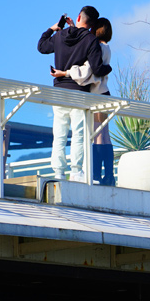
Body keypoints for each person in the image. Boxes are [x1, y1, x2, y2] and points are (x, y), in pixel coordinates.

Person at [37, 6, 109, 181]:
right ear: (92, 24)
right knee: (79, 134)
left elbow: (42, 47)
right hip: (79, 92)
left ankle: (58, 172)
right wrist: (109, 67)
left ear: (78, 17)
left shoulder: (60, 36)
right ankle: (76, 171)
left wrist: (52, 29)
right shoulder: (91, 40)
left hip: (59, 91)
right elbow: (98, 69)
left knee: (60, 134)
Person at [51, 18, 115, 186]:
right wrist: (73, 28)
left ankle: (95, 174)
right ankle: (108, 175)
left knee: (96, 135)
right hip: (104, 93)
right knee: (104, 135)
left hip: (95, 94)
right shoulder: (106, 47)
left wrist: (64, 73)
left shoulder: (98, 47)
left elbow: (87, 71)